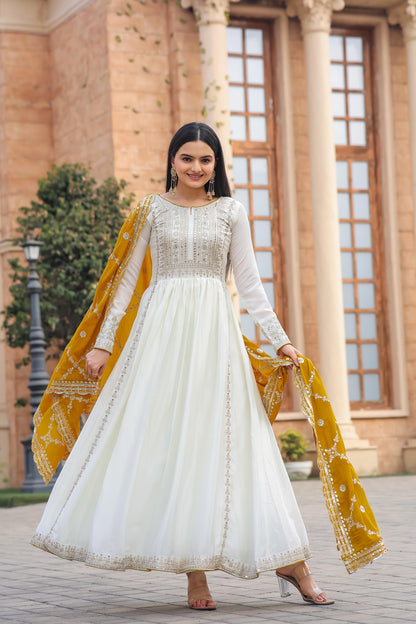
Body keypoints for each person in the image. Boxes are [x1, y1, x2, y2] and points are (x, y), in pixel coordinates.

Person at [31, 121, 334, 609]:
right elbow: (126, 282)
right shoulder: (151, 208)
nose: (196, 167)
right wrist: (104, 344)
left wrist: (280, 342)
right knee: (173, 445)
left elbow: (251, 286)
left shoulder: (230, 212)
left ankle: (294, 562)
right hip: (159, 338)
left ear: (216, 165)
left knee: (239, 443)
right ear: (172, 160)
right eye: (187, 158)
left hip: (214, 336)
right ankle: (196, 577)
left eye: (206, 159)